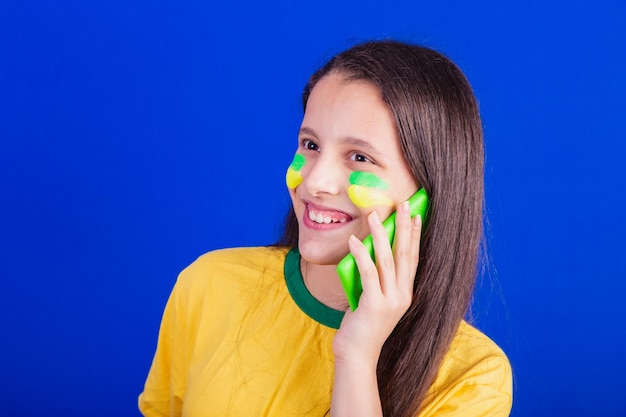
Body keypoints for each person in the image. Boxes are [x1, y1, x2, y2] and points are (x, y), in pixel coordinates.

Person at [138, 40, 512, 417]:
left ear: (427, 193)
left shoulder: (473, 379)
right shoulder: (208, 285)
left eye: (359, 157)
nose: (315, 181)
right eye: (311, 144)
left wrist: (356, 357)